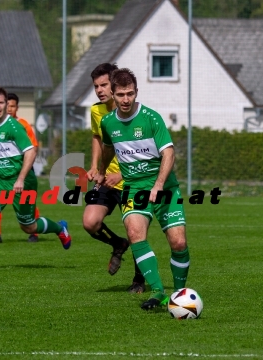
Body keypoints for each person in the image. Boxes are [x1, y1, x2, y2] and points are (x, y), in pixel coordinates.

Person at [97, 68, 190, 310]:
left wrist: (159, 185)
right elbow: (107, 149)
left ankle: (179, 293)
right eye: (120, 95)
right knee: (135, 233)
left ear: (136, 92)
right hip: (134, 188)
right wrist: (101, 170)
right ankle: (158, 292)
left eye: (130, 94)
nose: (125, 99)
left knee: (178, 243)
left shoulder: (151, 118)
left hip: (165, 188)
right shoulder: (108, 122)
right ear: (113, 95)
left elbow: (168, 153)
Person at [0, 87, 71, 270]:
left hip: (22, 183)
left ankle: (60, 228)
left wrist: (21, 179)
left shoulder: (15, 127)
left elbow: (31, 151)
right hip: (0, 181)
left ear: (6, 104)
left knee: (28, 227)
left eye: (1, 102)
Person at [83, 63, 146, 293]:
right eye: (96, 86)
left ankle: (139, 280)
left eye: (104, 85)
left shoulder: (134, 113)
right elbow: (97, 138)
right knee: (90, 222)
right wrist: (94, 167)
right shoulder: (96, 111)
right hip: (108, 179)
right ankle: (117, 244)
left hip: (133, 180)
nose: (99, 90)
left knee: (136, 231)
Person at [0, 93, 40, 243]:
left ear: (17, 107)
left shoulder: (22, 124)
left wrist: (21, 169)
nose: (9, 109)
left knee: (27, 204)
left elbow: (33, 148)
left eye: (12, 106)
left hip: (22, 172)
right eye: (7, 105)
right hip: (4, 172)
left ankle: (34, 232)